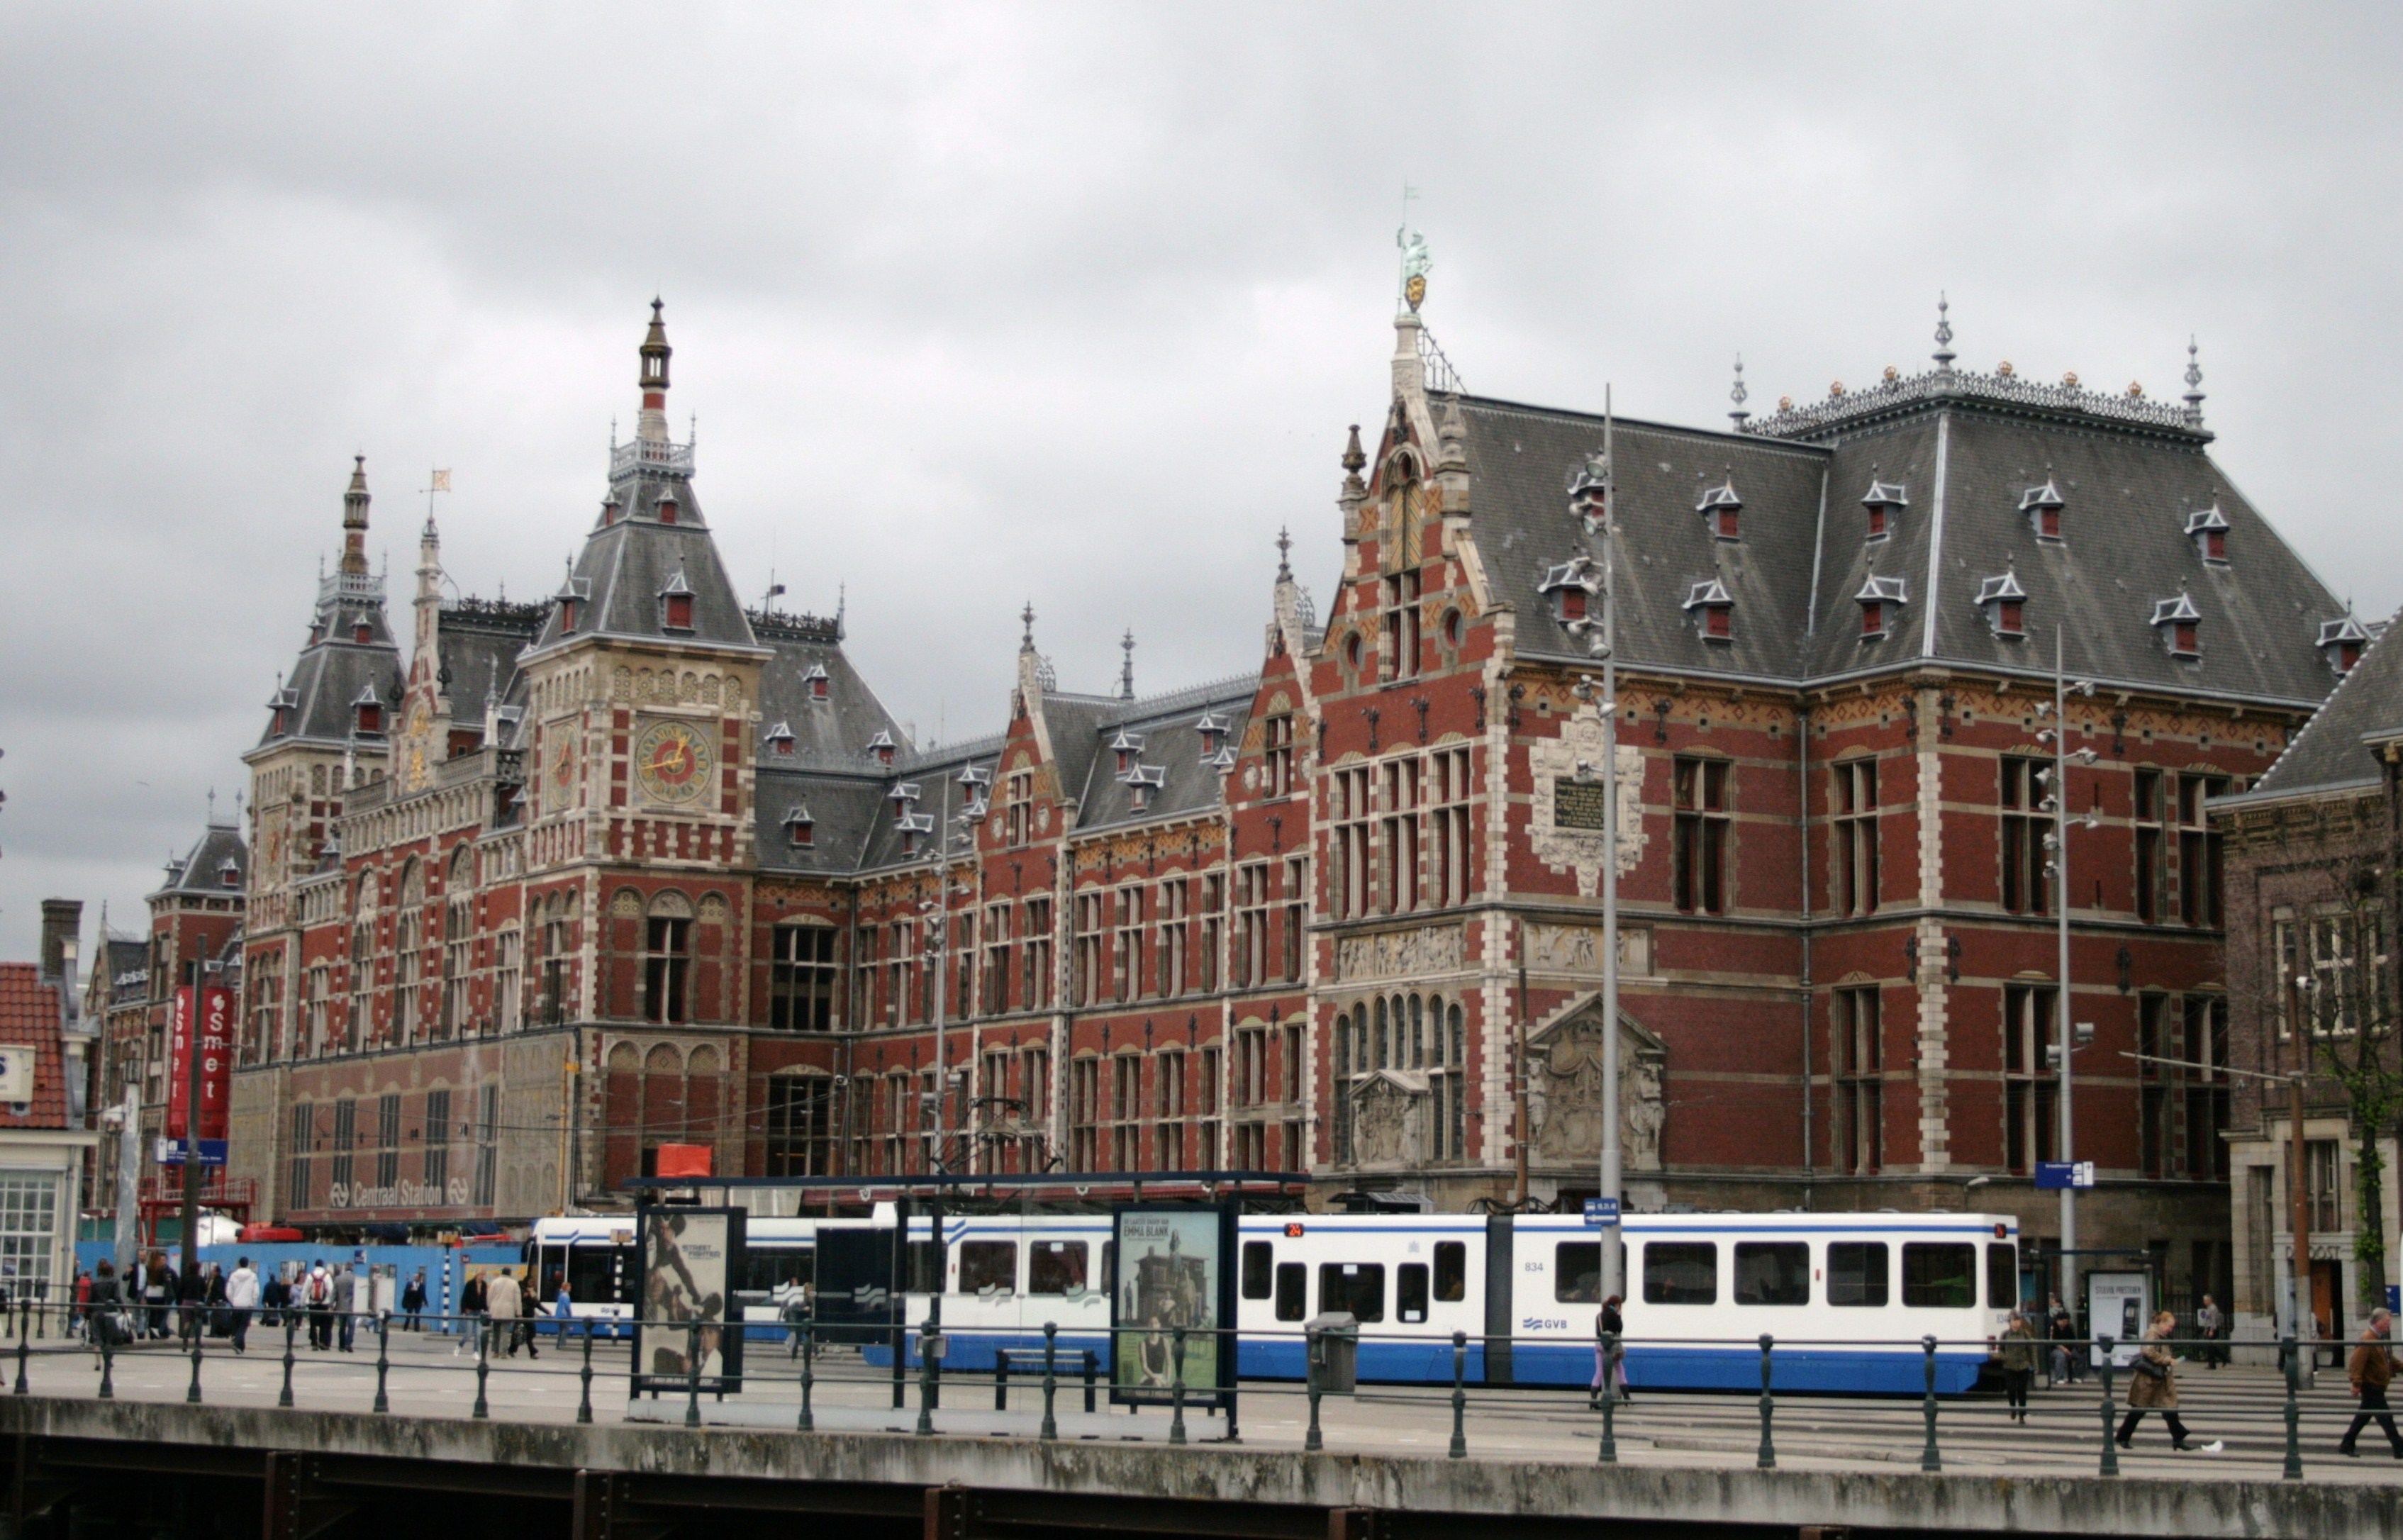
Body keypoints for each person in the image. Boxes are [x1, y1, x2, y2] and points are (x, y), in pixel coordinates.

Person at [2116, 1310, 2199, 1451]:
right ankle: (2123, 1437)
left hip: (2160, 1379)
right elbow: (2148, 1351)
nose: (2171, 1330)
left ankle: (2178, 1438)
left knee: (2170, 1408)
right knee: (2139, 1410)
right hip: (2149, 1380)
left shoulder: (2160, 1335)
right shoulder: (2153, 1334)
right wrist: (2166, 1360)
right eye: (2170, 1326)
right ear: (2161, 1323)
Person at [2339, 1307, 2403, 1458]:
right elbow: (2356, 1363)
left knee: (2363, 1417)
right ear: (2379, 1321)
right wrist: (2356, 1383)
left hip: (2377, 1386)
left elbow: (2389, 1360)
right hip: (2371, 1385)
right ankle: (2399, 1447)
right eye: (2387, 1321)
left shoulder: (2379, 1338)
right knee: (2386, 1417)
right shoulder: (2368, 1338)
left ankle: (2346, 1444)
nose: (2389, 1325)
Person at [1999, 1311, 2039, 1423]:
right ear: (2010, 1322)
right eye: (2014, 1321)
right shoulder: (2005, 1334)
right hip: (2009, 1366)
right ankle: (2013, 1408)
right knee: (2011, 1390)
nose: (2016, 1323)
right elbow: (2001, 1349)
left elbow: (2031, 1351)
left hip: (2023, 1366)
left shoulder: (2025, 1334)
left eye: (2018, 1320)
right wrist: (2004, 1357)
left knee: (2022, 1390)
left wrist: (2035, 1366)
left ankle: (2022, 1414)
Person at [223, 1256, 259, 1355]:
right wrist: (253, 1303)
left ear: (239, 1264)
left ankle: (240, 1347)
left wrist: (233, 1301)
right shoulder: (253, 1276)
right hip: (247, 1305)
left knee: (237, 1325)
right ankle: (237, 1342)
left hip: (237, 1305)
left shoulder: (233, 1275)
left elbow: (228, 1292)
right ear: (248, 1264)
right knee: (243, 1326)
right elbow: (256, 1292)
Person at [487, 1268, 523, 1357]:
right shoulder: (514, 1283)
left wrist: (489, 1307)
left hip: (495, 1310)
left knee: (496, 1332)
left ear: (501, 1273)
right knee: (505, 1332)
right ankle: (503, 1352)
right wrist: (519, 1313)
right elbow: (518, 1300)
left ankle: (495, 1351)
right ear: (510, 1274)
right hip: (507, 1310)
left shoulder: (495, 1282)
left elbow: (489, 1296)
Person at [457, 1271, 488, 1356]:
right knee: (469, 1333)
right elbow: (464, 1297)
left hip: (479, 1311)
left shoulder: (484, 1285)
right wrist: (463, 1311)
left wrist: (486, 1309)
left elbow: (484, 1298)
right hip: (470, 1310)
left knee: (478, 1333)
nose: (482, 1277)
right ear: (476, 1275)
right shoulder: (470, 1284)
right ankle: (460, 1345)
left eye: (483, 1275)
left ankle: (476, 1352)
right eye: (481, 1275)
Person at [305, 1262, 334, 1350]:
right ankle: (322, 1342)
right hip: (325, 1303)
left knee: (313, 1324)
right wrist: (333, 1304)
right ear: (323, 1265)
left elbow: (305, 1290)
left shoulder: (310, 1276)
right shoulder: (327, 1276)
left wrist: (303, 1302)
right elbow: (331, 1291)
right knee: (324, 1324)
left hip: (313, 1303)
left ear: (315, 1265)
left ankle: (314, 1343)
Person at [2195, 1294, 2225, 1370]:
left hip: (2213, 1329)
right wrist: (2206, 1330)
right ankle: (2223, 1358)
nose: (2204, 1302)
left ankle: (2212, 1364)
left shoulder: (2213, 1308)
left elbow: (2213, 1320)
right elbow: (2207, 1320)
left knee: (2211, 1347)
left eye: (2205, 1300)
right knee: (2211, 1347)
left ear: (2210, 1300)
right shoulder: (2209, 1308)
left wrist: (2211, 1330)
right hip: (2209, 1328)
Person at [333, 1263, 358, 1353]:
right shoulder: (354, 1279)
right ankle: (348, 1343)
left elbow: (334, 1294)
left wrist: (331, 1305)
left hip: (341, 1306)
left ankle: (341, 1346)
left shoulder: (338, 1279)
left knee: (342, 1327)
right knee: (351, 1325)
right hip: (350, 1307)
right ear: (352, 1269)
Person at [401, 1268, 428, 1332]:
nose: (415, 1278)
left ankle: (417, 1329)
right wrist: (411, 1290)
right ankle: (405, 1328)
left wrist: (425, 1302)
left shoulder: (422, 1285)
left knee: (417, 1315)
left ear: (419, 1278)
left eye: (416, 1277)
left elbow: (423, 1294)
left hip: (418, 1302)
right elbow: (405, 1291)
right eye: (414, 1277)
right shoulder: (410, 1284)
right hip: (411, 1301)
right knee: (408, 1315)